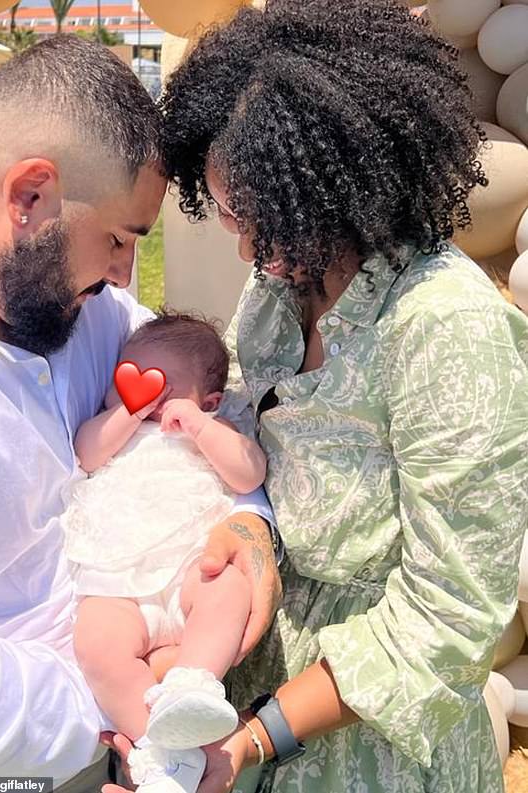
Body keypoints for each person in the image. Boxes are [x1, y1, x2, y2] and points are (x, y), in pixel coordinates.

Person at [107, 1, 528, 792]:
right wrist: (248, 534)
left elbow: (452, 614)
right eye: (227, 214)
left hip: (377, 745)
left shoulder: (445, 327)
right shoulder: (277, 292)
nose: (241, 247)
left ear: (334, 188)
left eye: (254, 220)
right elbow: (253, 451)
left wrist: (258, 735)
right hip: (246, 702)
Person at [0, 36, 281, 788]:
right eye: (118, 239)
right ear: (30, 196)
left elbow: (211, 409)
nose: (122, 272)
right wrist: (128, 690)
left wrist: (248, 525)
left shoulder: (94, 316)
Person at [63, 312, 267, 792]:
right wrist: (126, 413)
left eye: (163, 387)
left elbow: (249, 473)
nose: (148, 398)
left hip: (189, 570)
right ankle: (158, 747)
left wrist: (200, 427)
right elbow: (86, 452)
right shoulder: (116, 427)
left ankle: (192, 684)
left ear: (209, 401)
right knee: (96, 645)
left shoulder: (214, 431)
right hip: (119, 583)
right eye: (132, 382)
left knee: (230, 587)